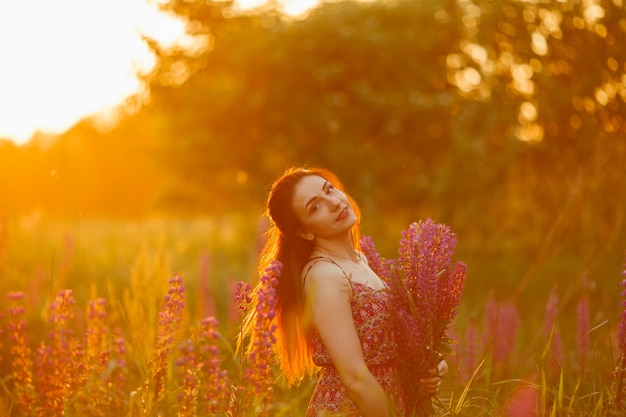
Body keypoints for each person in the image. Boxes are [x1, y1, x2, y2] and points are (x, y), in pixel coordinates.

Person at [245, 166, 447, 416]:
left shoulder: (361, 261)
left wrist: (431, 366)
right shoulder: (325, 275)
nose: (333, 203)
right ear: (304, 231)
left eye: (329, 189)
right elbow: (354, 378)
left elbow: (393, 344)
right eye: (315, 206)